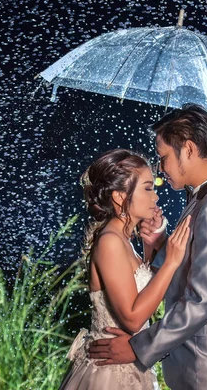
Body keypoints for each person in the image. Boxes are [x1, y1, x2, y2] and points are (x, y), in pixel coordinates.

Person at [89, 104, 207, 390]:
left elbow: (203, 299)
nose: (160, 168)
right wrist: (160, 244)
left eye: (163, 156)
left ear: (189, 150)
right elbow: (194, 266)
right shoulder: (203, 198)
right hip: (195, 366)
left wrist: (138, 348)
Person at [59, 148, 191, 390]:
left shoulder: (123, 240)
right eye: (148, 188)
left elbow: (139, 291)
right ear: (120, 196)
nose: (155, 197)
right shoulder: (110, 241)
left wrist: (150, 248)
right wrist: (171, 262)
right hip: (110, 372)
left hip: (129, 364)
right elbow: (132, 318)